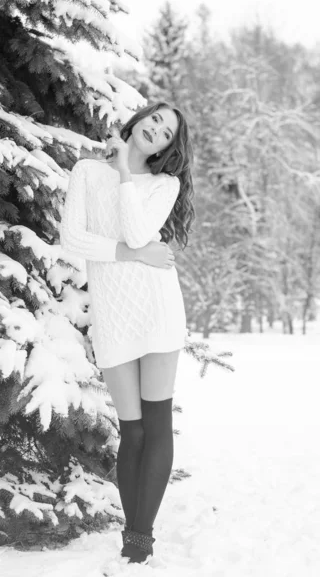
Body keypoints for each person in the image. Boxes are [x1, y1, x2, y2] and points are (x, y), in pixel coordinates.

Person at [59, 101, 195, 564]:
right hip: (114, 316)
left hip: (157, 310)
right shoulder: (85, 172)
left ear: (167, 149)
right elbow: (73, 239)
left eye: (166, 133)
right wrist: (131, 253)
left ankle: (139, 541)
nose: (155, 130)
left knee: (156, 424)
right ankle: (135, 538)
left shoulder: (164, 184)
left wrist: (123, 174)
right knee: (131, 430)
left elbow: (140, 232)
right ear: (139, 120)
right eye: (154, 119)